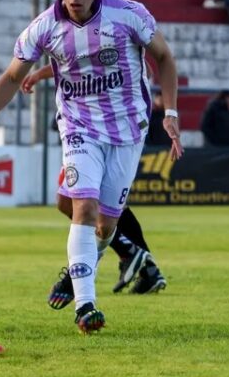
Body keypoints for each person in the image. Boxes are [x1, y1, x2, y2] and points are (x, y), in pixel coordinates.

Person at [0, 0, 183, 334]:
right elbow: (12, 76)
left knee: (106, 225)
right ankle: (86, 306)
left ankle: (77, 270)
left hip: (128, 130)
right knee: (81, 208)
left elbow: (164, 58)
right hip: (79, 128)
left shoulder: (129, 15)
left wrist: (170, 113)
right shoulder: (43, 27)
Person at [20, 65, 168, 307]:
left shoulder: (118, 36)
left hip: (102, 126)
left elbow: (84, 60)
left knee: (83, 203)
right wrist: (40, 74)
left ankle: (125, 257)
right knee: (82, 203)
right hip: (85, 123)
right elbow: (73, 61)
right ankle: (145, 267)